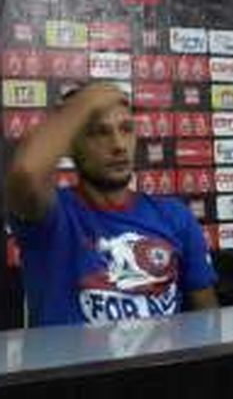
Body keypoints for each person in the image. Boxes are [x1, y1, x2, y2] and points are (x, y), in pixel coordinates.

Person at [6, 83, 218, 326]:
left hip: (160, 363)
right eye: (99, 132)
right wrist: (82, 106)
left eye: (126, 129)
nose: (118, 145)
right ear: (71, 147)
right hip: (75, 364)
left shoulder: (174, 216)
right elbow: (26, 172)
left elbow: (208, 320)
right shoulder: (51, 216)